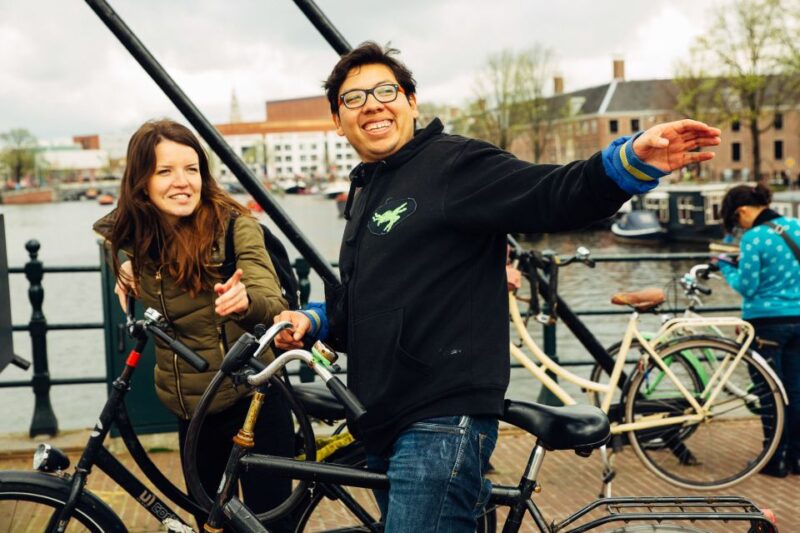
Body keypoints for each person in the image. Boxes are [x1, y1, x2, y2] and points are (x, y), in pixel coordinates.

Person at [274, 42, 721, 532]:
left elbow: (549, 194)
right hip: (385, 417)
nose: (373, 105)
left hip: (439, 420)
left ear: (412, 102)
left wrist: (626, 164)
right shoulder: (366, 189)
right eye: (353, 99)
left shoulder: (453, 164)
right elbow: (369, 301)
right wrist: (314, 319)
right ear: (338, 121)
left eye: (386, 90)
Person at [93, 119, 294, 530]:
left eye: (192, 169)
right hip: (191, 409)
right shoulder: (141, 236)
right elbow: (119, 231)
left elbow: (270, 297)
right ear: (142, 182)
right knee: (208, 522)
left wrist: (245, 301)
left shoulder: (237, 228)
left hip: (251, 401)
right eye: (165, 171)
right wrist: (127, 264)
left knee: (267, 526)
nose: (182, 182)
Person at [718, 183, 800, 477]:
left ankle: (773, 459)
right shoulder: (796, 226)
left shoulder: (753, 238)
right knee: (794, 391)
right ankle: (797, 458)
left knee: (769, 393)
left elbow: (748, 287)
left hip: (767, 323)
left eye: (736, 220)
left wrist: (725, 266)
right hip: (799, 320)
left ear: (742, 210)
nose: (739, 226)